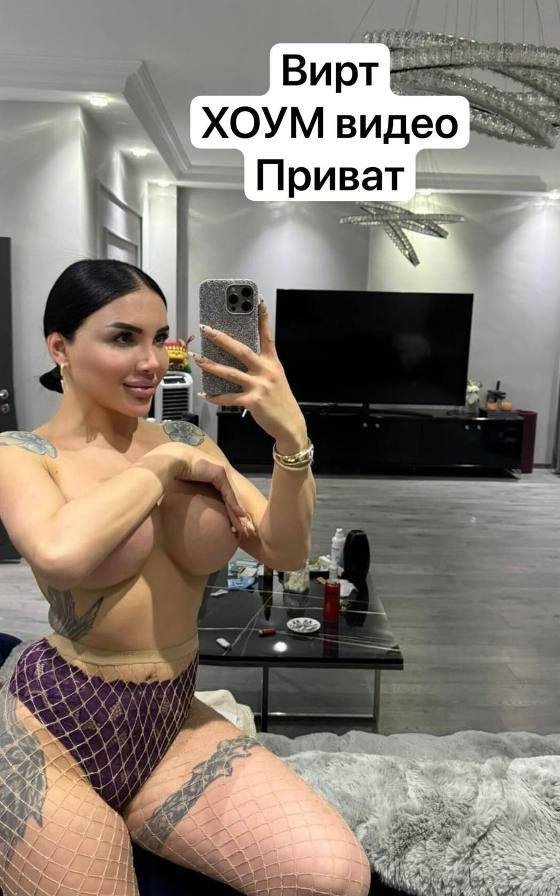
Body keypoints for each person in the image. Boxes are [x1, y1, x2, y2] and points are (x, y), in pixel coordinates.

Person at [0, 259, 371, 896]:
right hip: (53, 726)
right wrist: (164, 463)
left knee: (333, 877)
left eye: (159, 338)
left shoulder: (188, 438)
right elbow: (60, 552)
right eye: (123, 338)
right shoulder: (23, 454)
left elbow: (283, 550)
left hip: (169, 719)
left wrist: (291, 436)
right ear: (59, 346)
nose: (151, 362)